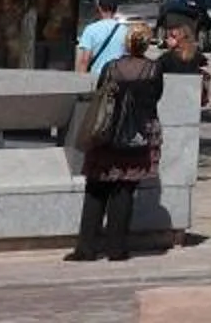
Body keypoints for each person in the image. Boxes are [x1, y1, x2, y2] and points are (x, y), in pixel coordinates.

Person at [69, 21, 163, 263]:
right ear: (146, 44)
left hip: (107, 135)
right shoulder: (153, 69)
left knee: (96, 188)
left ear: (126, 43)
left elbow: (102, 95)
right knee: (125, 189)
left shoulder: (111, 67)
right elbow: (155, 98)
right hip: (138, 135)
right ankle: (116, 248)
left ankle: (86, 247)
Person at [76, 0, 129, 78]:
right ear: (115, 10)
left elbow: (85, 60)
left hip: (97, 77)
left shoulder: (90, 29)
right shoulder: (125, 30)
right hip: (118, 78)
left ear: (100, 8)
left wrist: (81, 80)